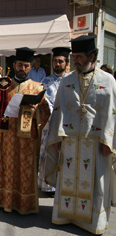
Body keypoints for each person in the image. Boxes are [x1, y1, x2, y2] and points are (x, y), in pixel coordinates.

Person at [44, 35, 116, 234]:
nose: (75, 60)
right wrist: (56, 138)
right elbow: (58, 110)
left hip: (95, 142)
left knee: (95, 181)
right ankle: (65, 216)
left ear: (92, 56)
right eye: (73, 56)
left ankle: (94, 222)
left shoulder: (108, 80)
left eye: (79, 56)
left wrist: (108, 141)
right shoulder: (67, 80)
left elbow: (112, 112)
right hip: (70, 140)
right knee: (68, 177)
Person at [0, 47, 50, 214]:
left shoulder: (37, 88)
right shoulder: (4, 86)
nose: (23, 69)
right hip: (7, 138)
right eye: (20, 65)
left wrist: (36, 110)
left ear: (30, 67)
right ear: (14, 65)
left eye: (26, 66)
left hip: (28, 139)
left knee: (25, 172)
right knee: (7, 169)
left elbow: (46, 113)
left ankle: (24, 205)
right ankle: (5, 202)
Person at [38, 47, 71, 193]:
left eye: (60, 61)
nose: (57, 64)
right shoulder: (45, 81)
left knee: (65, 155)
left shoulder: (72, 81)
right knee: (48, 152)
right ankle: (47, 185)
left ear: (67, 63)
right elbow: (42, 102)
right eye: (55, 61)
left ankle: (64, 185)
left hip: (67, 126)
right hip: (49, 125)